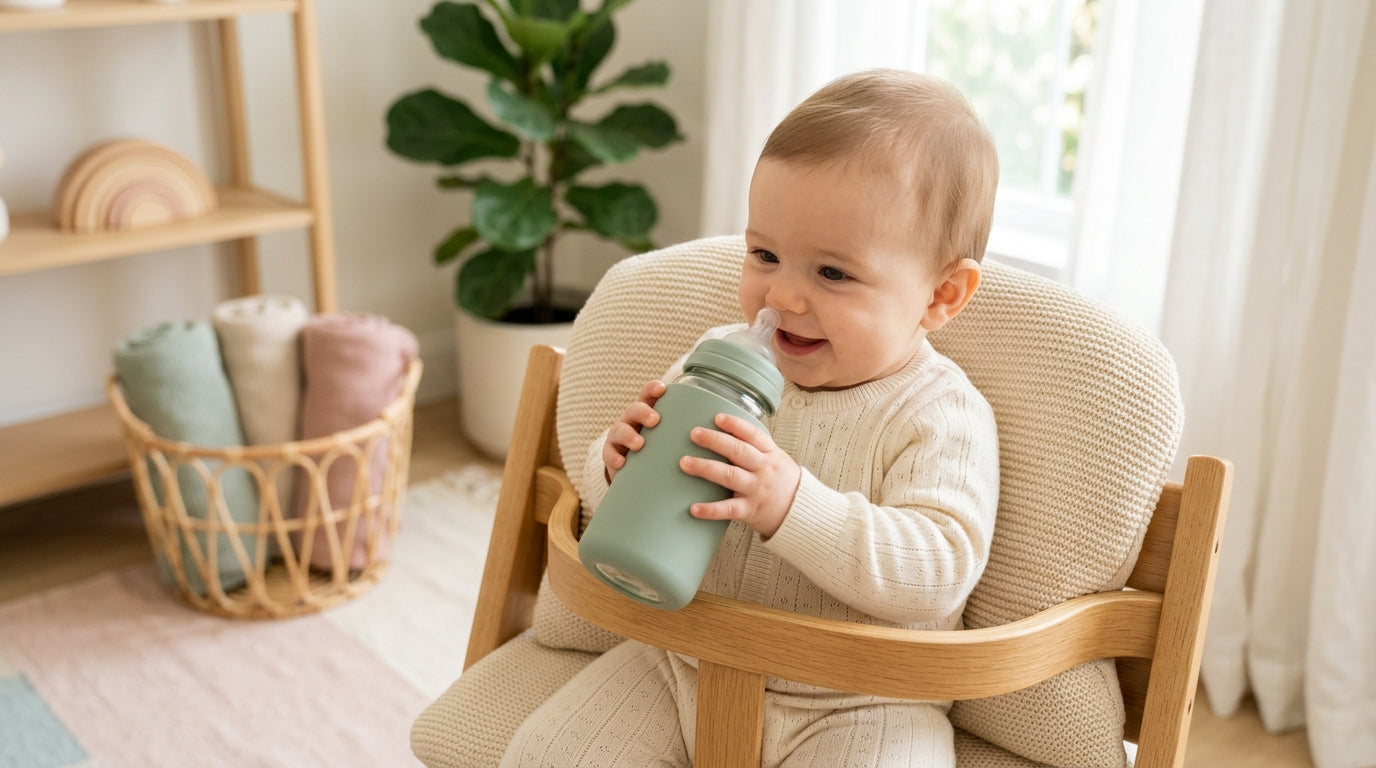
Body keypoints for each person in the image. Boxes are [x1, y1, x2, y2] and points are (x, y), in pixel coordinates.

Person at [501, 68, 1001, 768]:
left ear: (942, 294)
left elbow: (940, 566)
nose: (784, 295)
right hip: (680, 660)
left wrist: (791, 504)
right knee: (544, 758)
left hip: (864, 699)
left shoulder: (939, 413)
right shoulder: (717, 360)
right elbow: (630, 504)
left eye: (832, 273)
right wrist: (614, 465)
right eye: (764, 255)